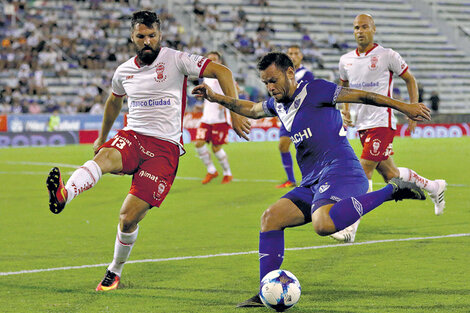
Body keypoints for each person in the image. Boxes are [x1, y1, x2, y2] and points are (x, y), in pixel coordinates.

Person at [192, 52, 430, 307]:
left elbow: (364, 95)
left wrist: (405, 106)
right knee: (270, 219)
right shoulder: (278, 103)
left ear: (290, 73)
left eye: (273, 80)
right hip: (312, 180)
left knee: (323, 224)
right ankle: (265, 293)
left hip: (341, 170)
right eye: (265, 83)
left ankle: (392, 190)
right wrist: (216, 98)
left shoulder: (316, 89)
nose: (270, 87)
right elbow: (250, 109)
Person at [46, 11, 250, 292]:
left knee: (128, 218)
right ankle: (64, 196)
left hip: (164, 149)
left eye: (151, 36)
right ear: (132, 37)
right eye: (141, 36)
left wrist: (235, 110)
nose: (147, 41)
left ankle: (114, 270)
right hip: (133, 137)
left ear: (160, 35)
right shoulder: (124, 71)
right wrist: (102, 137)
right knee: (102, 157)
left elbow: (222, 71)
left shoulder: (177, 59)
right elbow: (113, 103)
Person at [333, 14, 446, 243]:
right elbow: (342, 88)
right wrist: (345, 110)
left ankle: (349, 228)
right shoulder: (345, 60)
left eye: (364, 27)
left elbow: (410, 79)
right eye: (356, 27)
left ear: (373, 29)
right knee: (390, 175)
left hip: (382, 122)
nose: (360, 31)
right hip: (363, 126)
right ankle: (434, 187)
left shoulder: (387, 55)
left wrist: (411, 110)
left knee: (362, 172)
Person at [275, 45, 315, 189]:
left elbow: (308, 94)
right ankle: (291, 180)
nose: (293, 55)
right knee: (283, 145)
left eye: (296, 53)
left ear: (301, 56)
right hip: (287, 116)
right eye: (290, 53)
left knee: (307, 150)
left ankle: (313, 178)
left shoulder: (306, 74)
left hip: (302, 116)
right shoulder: (282, 74)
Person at [194, 51, 234, 184]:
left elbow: (235, 89)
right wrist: (202, 105)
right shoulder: (206, 77)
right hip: (207, 118)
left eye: (214, 59)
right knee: (199, 144)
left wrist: (226, 101)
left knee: (216, 148)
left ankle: (227, 173)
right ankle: (211, 170)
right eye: (209, 59)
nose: (211, 61)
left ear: (220, 61)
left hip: (220, 119)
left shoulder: (223, 74)